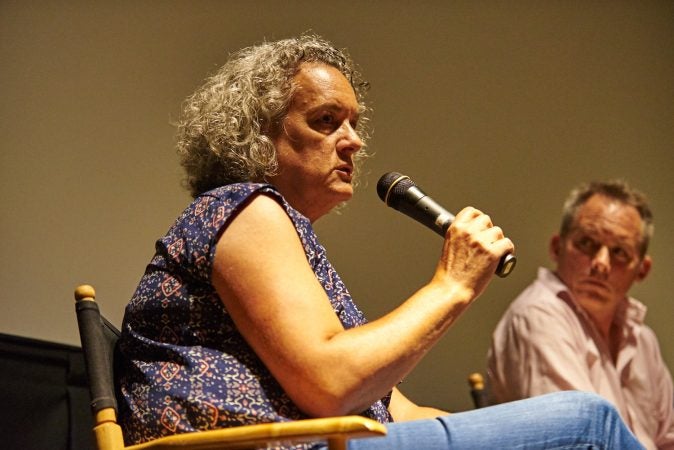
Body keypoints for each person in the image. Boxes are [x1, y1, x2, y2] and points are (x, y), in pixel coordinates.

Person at [117, 34, 644, 449]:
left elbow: (399, 410)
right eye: (326, 121)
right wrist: (453, 285)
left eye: (354, 122)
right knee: (589, 424)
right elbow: (330, 383)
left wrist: (510, 433)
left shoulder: (280, 229)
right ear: (257, 134)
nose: (353, 140)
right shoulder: (245, 209)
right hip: (282, 448)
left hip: (327, 441)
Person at [488, 180, 674, 449]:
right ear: (556, 247)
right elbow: (582, 441)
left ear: (642, 270)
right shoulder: (538, 315)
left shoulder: (644, 340)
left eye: (619, 252)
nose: (601, 263)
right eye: (587, 243)